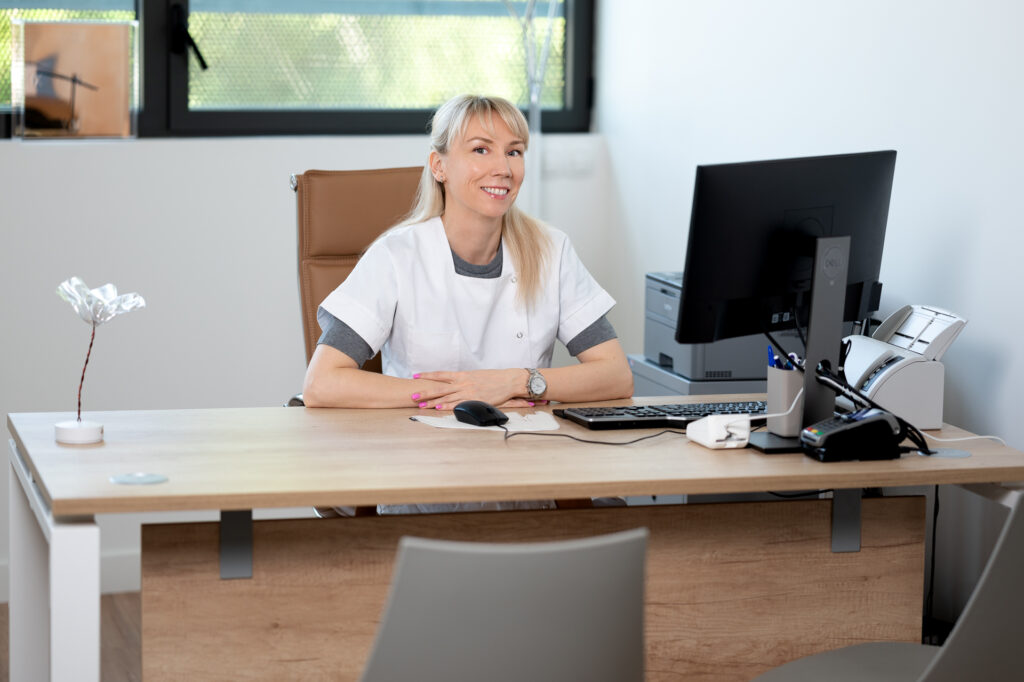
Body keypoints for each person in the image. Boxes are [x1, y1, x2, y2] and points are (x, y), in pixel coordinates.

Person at [302, 94, 633, 413]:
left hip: (524, 449)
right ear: (439, 166)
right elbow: (322, 383)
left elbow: (616, 375)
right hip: (420, 450)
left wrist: (517, 382)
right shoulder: (396, 256)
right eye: (480, 149)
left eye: (514, 152)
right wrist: (464, 393)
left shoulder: (550, 250)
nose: (503, 167)